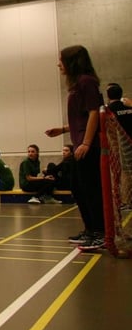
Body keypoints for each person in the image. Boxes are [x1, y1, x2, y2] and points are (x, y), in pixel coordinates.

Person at [45, 45, 104, 251]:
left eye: (61, 60)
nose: (58, 64)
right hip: (80, 145)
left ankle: (100, 233)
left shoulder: (87, 82)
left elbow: (94, 114)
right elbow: (82, 119)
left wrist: (87, 143)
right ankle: (90, 230)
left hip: (89, 147)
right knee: (79, 189)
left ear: (72, 62)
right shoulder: (77, 85)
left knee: (91, 191)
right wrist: (62, 130)